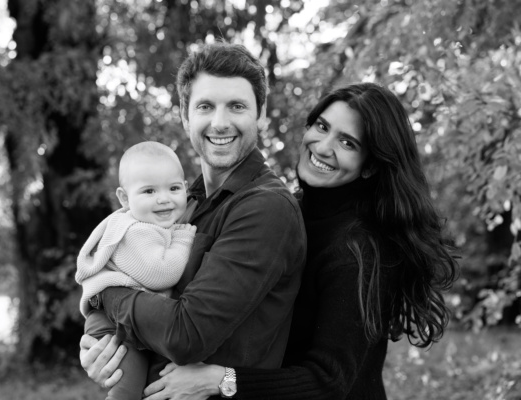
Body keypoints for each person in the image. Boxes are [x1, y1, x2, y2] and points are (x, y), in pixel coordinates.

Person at [83, 82, 460, 400]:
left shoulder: (360, 250)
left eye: (347, 142)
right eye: (321, 126)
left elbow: (331, 380)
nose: (323, 146)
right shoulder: (285, 210)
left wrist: (223, 379)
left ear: (372, 164)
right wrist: (104, 343)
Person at [79, 42, 307, 397]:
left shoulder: (266, 208)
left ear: (260, 115)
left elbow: (185, 336)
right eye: (205, 106)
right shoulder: (180, 204)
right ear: (186, 117)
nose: (220, 122)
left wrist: (106, 296)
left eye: (237, 106)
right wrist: (106, 350)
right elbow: (151, 306)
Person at [75, 141, 197, 400]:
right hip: (112, 325)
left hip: (122, 318)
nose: (163, 198)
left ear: (186, 189)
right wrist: (184, 239)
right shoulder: (136, 230)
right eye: (149, 190)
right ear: (123, 198)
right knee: (126, 388)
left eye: (174, 188)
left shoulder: (149, 224)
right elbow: (161, 273)